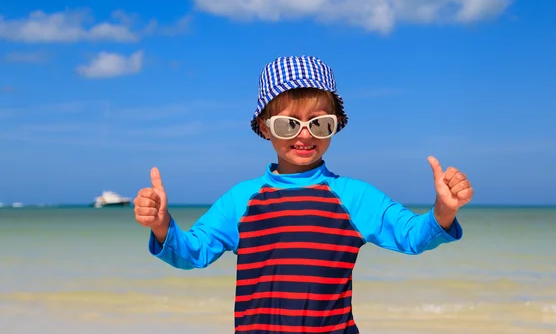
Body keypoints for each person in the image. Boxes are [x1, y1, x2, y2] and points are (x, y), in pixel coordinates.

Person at [133, 55, 473, 333]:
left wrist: (443, 211)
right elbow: (192, 253)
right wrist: (163, 226)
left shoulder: (353, 197)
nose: (305, 135)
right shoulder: (241, 201)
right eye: (288, 124)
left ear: (335, 124)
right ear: (265, 128)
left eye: (320, 122)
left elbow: (412, 236)